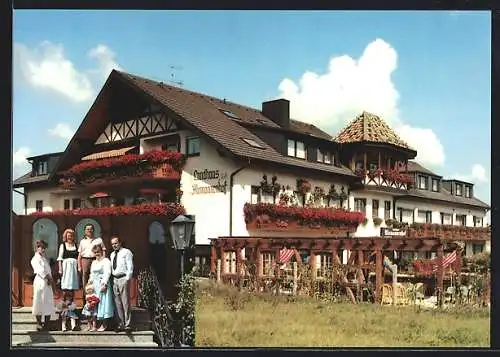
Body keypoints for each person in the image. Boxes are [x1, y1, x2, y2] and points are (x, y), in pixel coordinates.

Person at [109, 236, 134, 332]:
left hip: (123, 278)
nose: (114, 245)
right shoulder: (112, 254)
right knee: (117, 303)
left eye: (115, 243)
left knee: (125, 302)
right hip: (115, 279)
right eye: (112, 244)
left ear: (120, 243)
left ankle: (128, 324)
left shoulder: (126, 252)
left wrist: (127, 278)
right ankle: (120, 323)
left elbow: (130, 266)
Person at [30, 240, 55, 331]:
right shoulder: (35, 259)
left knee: (48, 301)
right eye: (41, 247)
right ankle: (39, 323)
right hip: (40, 282)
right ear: (37, 248)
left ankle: (47, 323)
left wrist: (50, 279)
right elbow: (39, 270)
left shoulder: (44, 259)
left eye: (44, 248)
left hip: (47, 283)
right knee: (39, 300)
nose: (43, 250)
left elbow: (48, 270)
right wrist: (48, 277)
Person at [89, 244, 114, 331]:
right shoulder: (94, 262)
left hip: (102, 283)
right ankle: (95, 325)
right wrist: (90, 283)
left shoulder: (106, 261)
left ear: (102, 252)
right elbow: (91, 274)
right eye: (95, 252)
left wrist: (104, 283)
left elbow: (107, 272)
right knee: (95, 303)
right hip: (95, 285)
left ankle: (104, 324)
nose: (97, 254)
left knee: (103, 303)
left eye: (98, 252)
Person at [78, 224, 106, 291]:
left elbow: (104, 250)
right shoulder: (82, 241)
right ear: (85, 231)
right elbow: (79, 255)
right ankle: (86, 299)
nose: (89, 230)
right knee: (85, 279)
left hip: (95, 260)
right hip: (85, 260)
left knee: (96, 277)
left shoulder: (99, 240)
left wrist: (103, 261)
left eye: (91, 229)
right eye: (87, 229)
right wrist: (79, 266)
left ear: (93, 230)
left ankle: (96, 297)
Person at [57, 229, 79, 296]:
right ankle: (64, 302)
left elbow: (78, 257)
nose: (70, 237)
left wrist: (78, 266)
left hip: (74, 267)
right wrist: (60, 269)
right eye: (68, 236)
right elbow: (60, 258)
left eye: (71, 236)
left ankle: (71, 303)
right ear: (66, 237)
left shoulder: (76, 245)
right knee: (65, 284)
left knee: (73, 284)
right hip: (66, 267)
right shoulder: (63, 245)